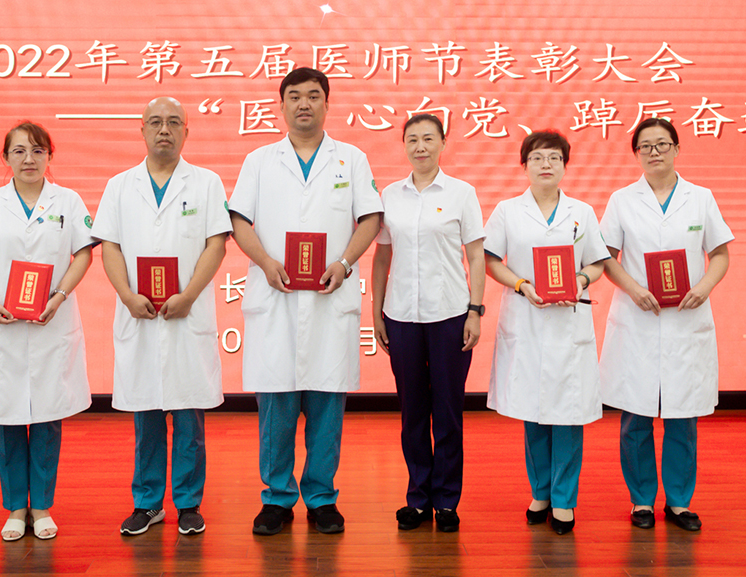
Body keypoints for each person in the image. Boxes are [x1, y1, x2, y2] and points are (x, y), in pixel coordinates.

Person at [228, 68, 382, 535]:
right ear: (281, 106)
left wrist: (345, 263)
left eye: (314, 96)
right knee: (276, 409)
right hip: (276, 300)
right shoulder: (259, 160)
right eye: (294, 96)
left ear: (327, 104)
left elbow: (370, 219)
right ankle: (276, 498)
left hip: (328, 300)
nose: (304, 104)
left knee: (326, 409)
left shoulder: (351, 159)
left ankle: (321, 497)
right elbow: (238, 221)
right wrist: (265, 262)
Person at [91, 97, 231, 536]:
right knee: (147, 415)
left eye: (173, 122)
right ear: (142, 130)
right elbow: (109, 246)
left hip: (186, 315)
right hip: (141, 316)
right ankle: (147, 503)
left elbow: (216, 245)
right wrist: (127, 296)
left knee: (189, 417)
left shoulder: (206, 183)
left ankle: (188, 503)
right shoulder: (119, 185)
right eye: (155, 122)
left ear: (187, 131)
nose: (164, 130)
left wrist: (189, 296)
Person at [0, 121, 95, 541]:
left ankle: (43, 506)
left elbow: (84, 253)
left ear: (49, 156)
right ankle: (16, 507)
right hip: (4, 325)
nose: (29, 159)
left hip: (51, 322)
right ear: (5, 158)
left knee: (48, 416)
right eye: (19, 151)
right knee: (8, 416)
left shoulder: (67, 200)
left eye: (37, 151)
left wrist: (60, 296)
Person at [599, 118, 733, 532]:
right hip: (638, 317)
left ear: (677, 148)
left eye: (662, 144)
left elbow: (720, 254)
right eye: (645, 146)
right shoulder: (622, 200)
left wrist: (704, 287)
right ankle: (641, 500)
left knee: (682, 416)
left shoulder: (700, 198)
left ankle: (679, 502)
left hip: (686, 318)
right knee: (635, 417)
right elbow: (605, 257)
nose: (654, 152)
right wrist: (635, 290)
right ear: (636, 154)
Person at [483, 129, 609, 535]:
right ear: (524, 166)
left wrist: (580, 281)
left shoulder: (582, 211)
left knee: (569, 414)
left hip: (569, 321)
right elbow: (490, 260)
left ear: (565, 165)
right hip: (527, 318)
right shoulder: (507, 210)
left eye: (554, 157)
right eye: (537, 158)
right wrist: (522, 286)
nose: (546, 165)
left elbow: (597, 263)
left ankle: (564, 500)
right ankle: (540, 492)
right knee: (534, 411)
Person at [371, 113, 485, 533]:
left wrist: (475, 310)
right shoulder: (390, 195)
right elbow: (382, 257)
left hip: (450, 315)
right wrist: (377, 311)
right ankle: (418, 498)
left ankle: (447, 501)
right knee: (413, 411)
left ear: (443, 143)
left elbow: (475, 255)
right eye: (412, 140)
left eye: (428, 139)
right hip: (401, 316)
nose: (420, 146)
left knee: (448, 411)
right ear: (404, 145)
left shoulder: (461, 193)